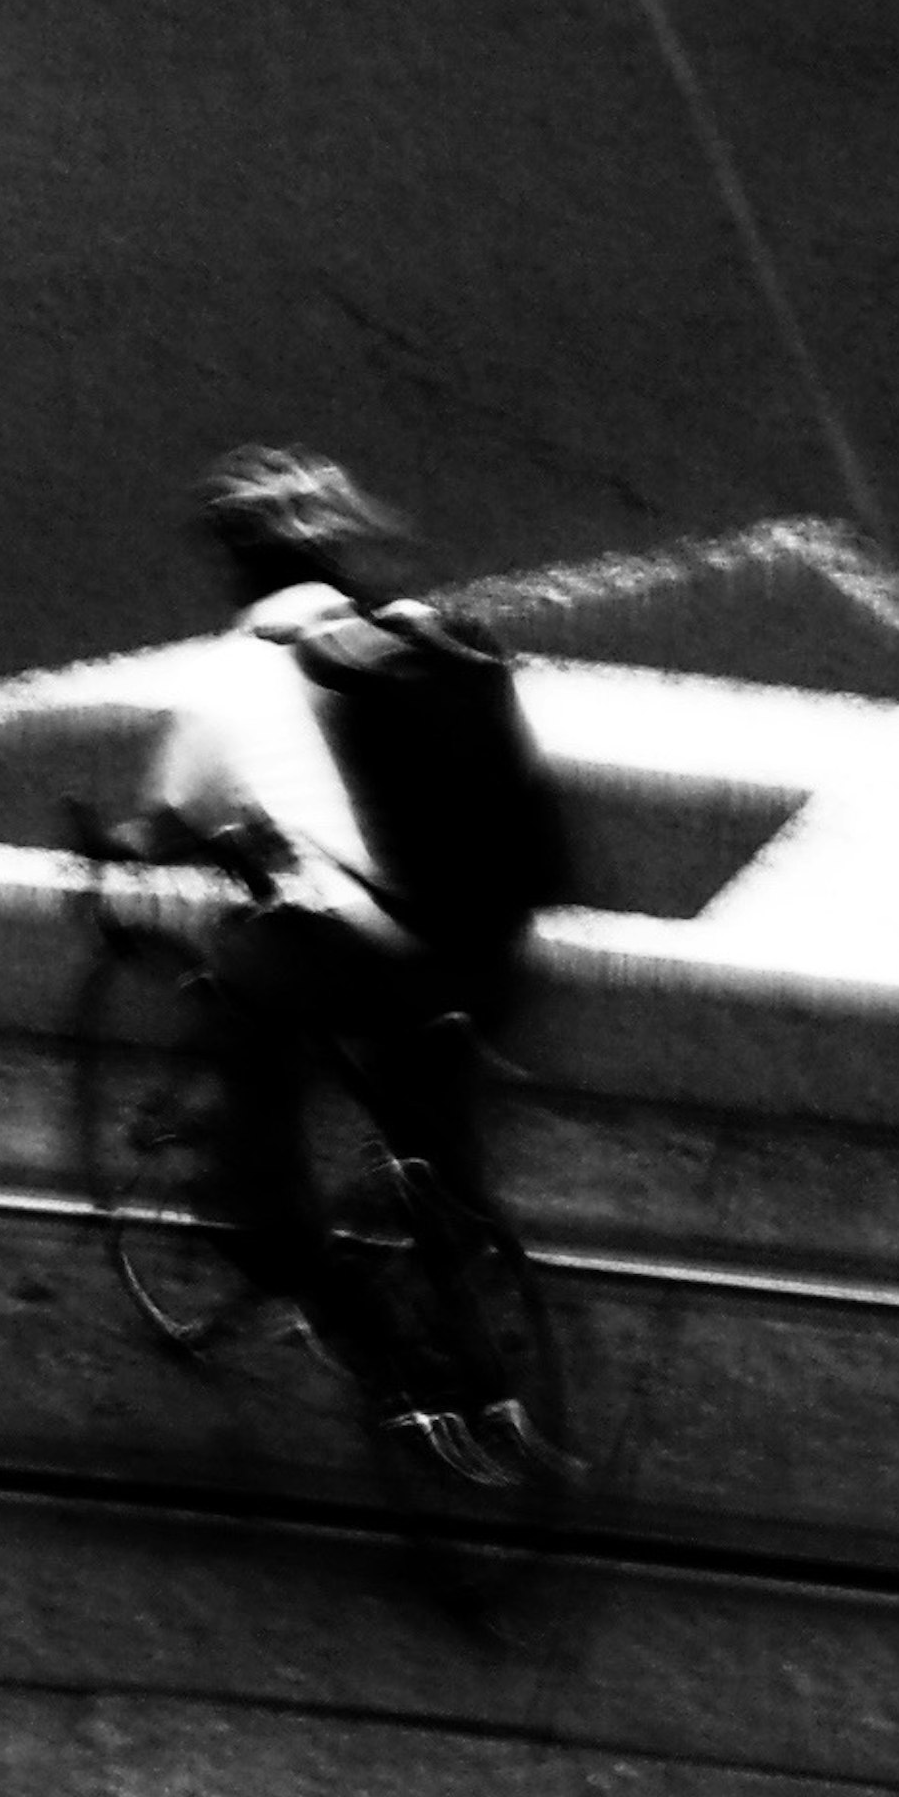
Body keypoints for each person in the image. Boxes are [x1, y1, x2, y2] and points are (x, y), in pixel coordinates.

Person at [128, 444, 570, 1348]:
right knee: (428, 1091)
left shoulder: (238, 669)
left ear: (237, 563)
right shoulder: (424, 635)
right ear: (338, 555)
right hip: (494, 944)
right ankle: (462, 1257)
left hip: (376, 956)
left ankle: (280, 1249)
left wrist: (120, 847)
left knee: (243, 991)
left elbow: (175, 818)